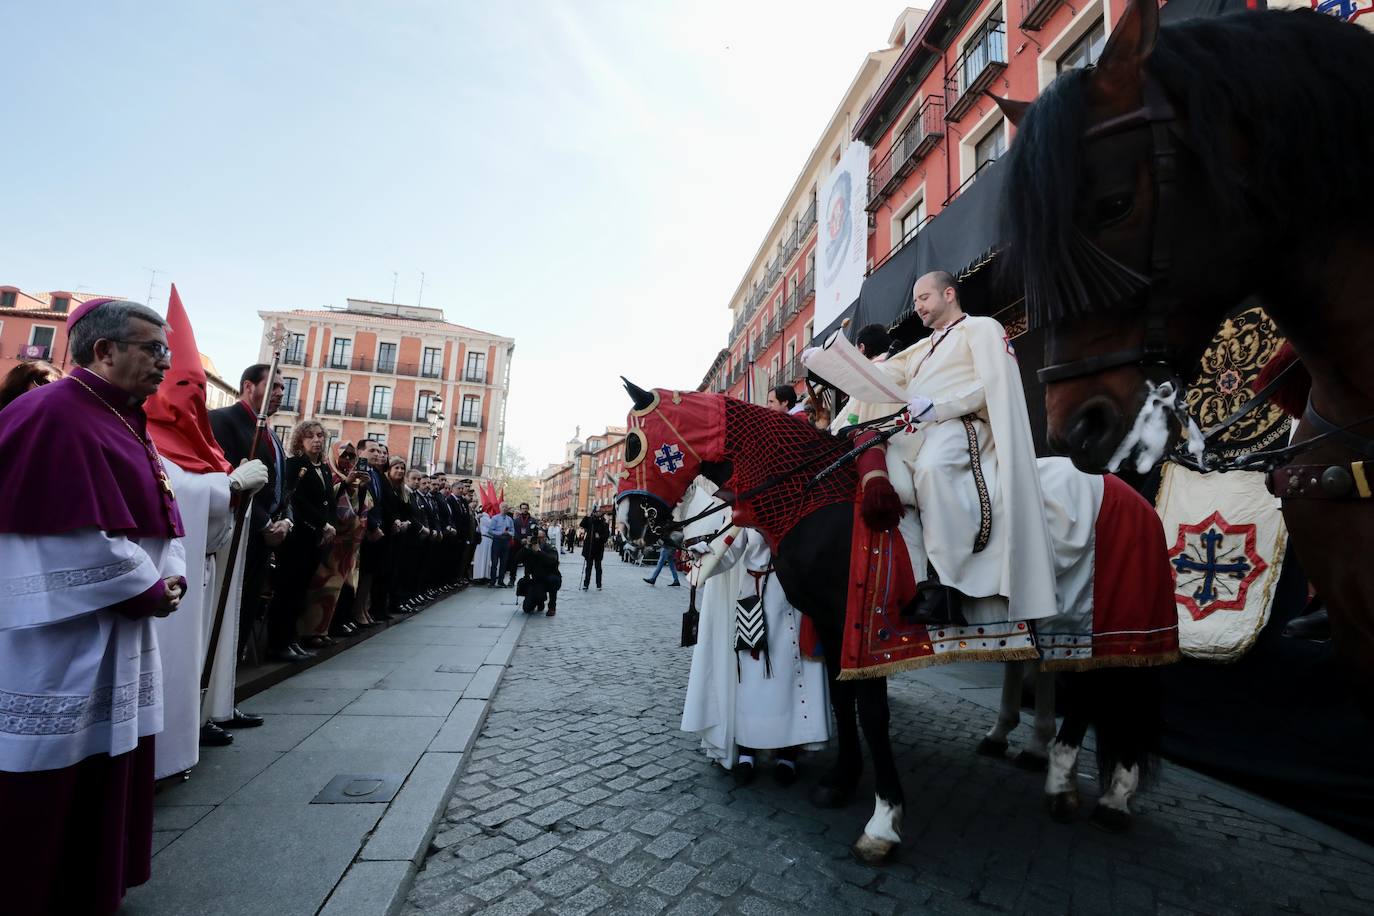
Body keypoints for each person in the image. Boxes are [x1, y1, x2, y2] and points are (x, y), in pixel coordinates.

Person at [0, 298, 187, 915]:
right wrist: (148, 586)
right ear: (104, 351)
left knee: (103, 752)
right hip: (61, 629)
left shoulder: (120, 415)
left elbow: (158, 509)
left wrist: (171, 572)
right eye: (151, 348)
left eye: (165, 348)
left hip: (113, 624)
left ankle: (86, 881)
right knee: (50, 762)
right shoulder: (55, 414)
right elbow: (63, 529)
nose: (165, 361)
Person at [839, 270, 1058, 626]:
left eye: (924, 298)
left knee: (932, 468)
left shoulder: (982, 328)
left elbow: (991, 385)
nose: (918, 307)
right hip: (919, 428)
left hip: (961, 424)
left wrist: (940, 407)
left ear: (949, 294)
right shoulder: (922, 348)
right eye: (915, 302)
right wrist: (835, 362)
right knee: (883, 472)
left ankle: (947, 587)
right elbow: (878, 376)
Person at [145, 289, 269, 759]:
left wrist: (235, 489)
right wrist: (231, 487)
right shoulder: (145, 434)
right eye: (183, 386)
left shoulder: (202, 439)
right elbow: (173, 490)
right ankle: (169, 738)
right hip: (172, 569)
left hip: (210, 561)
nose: (192, 398)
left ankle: (207, 711)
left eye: (197, 388)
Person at [209, 364, 292, 658]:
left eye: (283, 387)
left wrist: (286, 521)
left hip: (265, 540)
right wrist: (264, 524)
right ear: (248, 386)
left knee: (246, 610)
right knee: (227, 610)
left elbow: (282, 485)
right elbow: (227, 477)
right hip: (238, 535)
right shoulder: (222, 421)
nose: (280, 393)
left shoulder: (271, 433)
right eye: (274, 386)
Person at [272, 421, 336, 662]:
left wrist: (328, 525)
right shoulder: (294, 465)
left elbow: (328, 500)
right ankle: (279, 643)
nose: (317, 440)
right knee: (287, 590)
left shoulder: (325, 468)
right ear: (300, 440)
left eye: (320, 435)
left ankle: (292, 639)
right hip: (297, 537)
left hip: (316, 540)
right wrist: (321, 524)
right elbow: (295, 501)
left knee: (301, 592)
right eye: (310, 436)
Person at [300, 441, 369, 648]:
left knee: (338, 588)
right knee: (321, 587)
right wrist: (346, 484)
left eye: (351, 456)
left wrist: (361, 488)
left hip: (346, 546)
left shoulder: (352, 479)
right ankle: (310, 631)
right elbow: (328, 498)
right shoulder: (329, 474)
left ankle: (324, 628)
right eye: (344, 455)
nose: (347, 460)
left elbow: (359, 507)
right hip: (328, 540)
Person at [513, 526, 562, 616]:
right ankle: (540, 601)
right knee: (527, 609)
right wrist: (526, 547)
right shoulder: (529, 549)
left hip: (547, 578)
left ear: (544, 538)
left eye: (540, 538)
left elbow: (553, 561)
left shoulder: (549, 548)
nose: (538, 540)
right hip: (535, 580)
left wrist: (539, 552)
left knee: (553, 580)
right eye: (536, 538)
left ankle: (552, 607)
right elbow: (516, 559)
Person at [580, 505, 610, 590]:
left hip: (598, 549)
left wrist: (599, 537)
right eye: (596, 512)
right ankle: (586, 584)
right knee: (588, 568)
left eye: (599, 512)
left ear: (602, 514)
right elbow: (582, 524)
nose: (598, 513)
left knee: (598, 568)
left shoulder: (604, 524)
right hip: (589, 548)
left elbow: (606, 536)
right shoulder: (590, 521)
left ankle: (599, 584)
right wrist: (587, 516)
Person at [506, 501, 534, 586]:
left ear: (528, 509)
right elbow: (514, 532)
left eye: (526, 508)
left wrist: (529, 539)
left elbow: (534, 532)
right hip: (517, 544)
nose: (524, 510)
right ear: (520, 509)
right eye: (523, 508)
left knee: (528, 563)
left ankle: (527, 579)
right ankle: (512, 579)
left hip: (528, 545)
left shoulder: (533, 520)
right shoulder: (516, 521)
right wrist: (521, 540)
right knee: (514, 562)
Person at [488, 501, 514, 587]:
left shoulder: (510, 519)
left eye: (506, 507)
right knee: (494, 563)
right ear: (499, 508)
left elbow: (513, 531)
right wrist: (500, 533)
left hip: (506, 542)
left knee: (504, 563)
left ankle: (501, 581)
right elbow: (490, 531)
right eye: (503, 507)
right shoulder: (495, 518)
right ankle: (492, 581)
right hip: (497, 542)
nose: (505, 508)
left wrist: (509, 533)